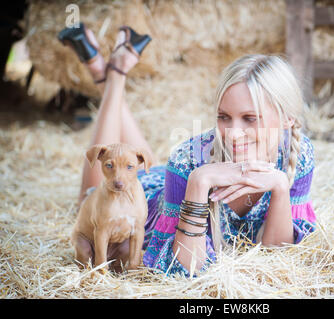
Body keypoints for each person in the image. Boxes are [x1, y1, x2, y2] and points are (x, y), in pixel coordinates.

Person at [59, 24, 316, 277]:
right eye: (224, 117)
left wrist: (280, 187)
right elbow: (185, 269)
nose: (233, 133)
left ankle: (109, 73)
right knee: (92, 196)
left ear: (287, 119)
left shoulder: (298, 152)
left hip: (166, 176)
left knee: (136, 158)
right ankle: (114, 75)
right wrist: (199, 181)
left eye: (250, 118)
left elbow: (279, 255)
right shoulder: (186, 160)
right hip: (155, 196)